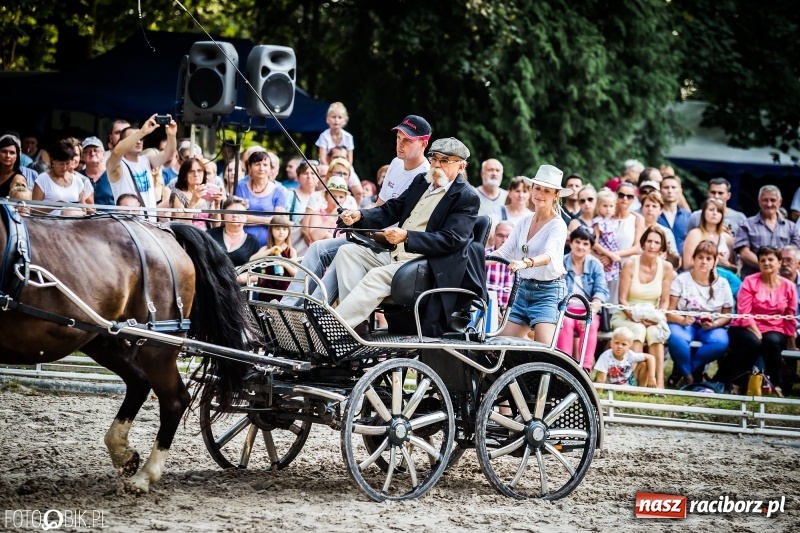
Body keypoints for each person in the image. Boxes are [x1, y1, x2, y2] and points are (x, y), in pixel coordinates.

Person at [333, 137, 480, 337]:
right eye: (434, 158)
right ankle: (355, 329)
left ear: (461, 166)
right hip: (398, 255)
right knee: (347, 252)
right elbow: (392, 210)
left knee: (377, 276)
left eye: (444, 161)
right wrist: (361, 215)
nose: (436, 164)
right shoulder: (421, 181)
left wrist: (407, 237)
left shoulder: (466, 196)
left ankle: (332, 328)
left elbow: (452, 239)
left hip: (427, 264)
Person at [284, 115, 431, 305]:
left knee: (345, 252)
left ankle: (315, 311)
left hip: (393, 246)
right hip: (373, 236)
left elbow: (403, 224)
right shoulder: (395, 163)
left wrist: (365, 224)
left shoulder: (424, 177)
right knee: (317, 248)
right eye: (398, 138)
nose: (400, 145)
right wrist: (358, 217)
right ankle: (287, 306)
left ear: (423, 144)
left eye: (408, 141)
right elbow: (380, 207)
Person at [491, 164, 571, 344]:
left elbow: (549, 255)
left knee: (544, 352)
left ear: (556, 195)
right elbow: (503, 251)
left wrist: (523, 263)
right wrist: (475, 260)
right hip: (523, 289)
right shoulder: (523, 221)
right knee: (497, 345)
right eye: (537, 188)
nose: (539, 194)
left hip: (548, 292)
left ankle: (549, 373)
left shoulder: (558, 225)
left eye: (547, 191)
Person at [719, 246, 797, 397]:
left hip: (774, 328)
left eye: (770, 259)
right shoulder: (749, 282)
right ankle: (736, 384)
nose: (766, 263)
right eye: (762, 260)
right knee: (752, 342)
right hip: (745, 326)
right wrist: (757, 332)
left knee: (772, 342)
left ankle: (776, 384)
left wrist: (791, 343)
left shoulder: (789, 287)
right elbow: (744, 312)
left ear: (779, 262)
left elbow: (790, 316)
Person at [610, 226, 675, 389]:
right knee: (638, 330)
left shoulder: (666, 267)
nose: (652, 246)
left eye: (657, 243)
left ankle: (658, 383)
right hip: (626, 315)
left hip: (652, 316)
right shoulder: (631, 264)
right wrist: (635, 317)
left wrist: (656, 317)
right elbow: (622, 299)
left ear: (662, 247)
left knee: (655, 333)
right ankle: (633, 380)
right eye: (649, 241)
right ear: (643, 243)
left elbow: (665, 301)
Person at [666, 240, 734, 386]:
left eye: (709, 258)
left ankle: (690, 368)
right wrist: (682, 320)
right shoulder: (681, 279)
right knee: (676, 337)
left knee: (720, 341)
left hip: (710, 326)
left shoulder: (722, 283)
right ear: (693, 259)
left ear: (715, 261)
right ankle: (690, 377)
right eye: (700, 257)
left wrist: (715, 324)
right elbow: (669, 311)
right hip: (683, 323)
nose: (704, 262)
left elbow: (727, 314)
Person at [556, 226, 610, 370]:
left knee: (590, 324)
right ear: (571, 243)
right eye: (577, 242)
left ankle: (585, 368)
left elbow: (601, 291)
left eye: (585, 244)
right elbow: (555, 290)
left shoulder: (595, 265)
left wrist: (590, 312)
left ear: (590, 247)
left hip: (588, 309)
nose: (580, 246)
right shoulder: (560, 262)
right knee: (565, 323)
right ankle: (564, 367)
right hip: (565, 308)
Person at [106, 114, 177, 220]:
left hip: (149, 224)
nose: (139, 141)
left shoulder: (146, 160)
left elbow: (169, 154)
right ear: (123, 142)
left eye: (142, 138)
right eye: (135, 138)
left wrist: (171, 136)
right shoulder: (117, 165)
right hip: (128, 225)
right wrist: (142, 132)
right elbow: (116, 152)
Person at [735, 185, 800, 278]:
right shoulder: (746, 225)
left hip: (782, 282)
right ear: (759, 202)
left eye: (773, 200)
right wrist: (768, 267)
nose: (769, 204)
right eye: (765, 200)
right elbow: (744, 254)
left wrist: (775, 268)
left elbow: (795, 254)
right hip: (753, 281)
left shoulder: (792, 227)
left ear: (780, 202)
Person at [603, 181, 645, 304]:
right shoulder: (605, 216)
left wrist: (613, 256)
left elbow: (637, 247)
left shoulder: (637, 219)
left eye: (629, 196)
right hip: (606, 266)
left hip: (625, 266)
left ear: (633, 199)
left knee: (620, 302)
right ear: (616, 196)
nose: (625, 199)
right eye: (621, 195)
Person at [235, 150, 287, 246]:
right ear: (249, 168)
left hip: (270, 243)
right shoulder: (241, 188)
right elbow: (239, 217)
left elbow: (278, 221)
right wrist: (266, 220)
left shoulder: (279, 191)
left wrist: (250, 219)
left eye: (265, 164)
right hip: (244, 241)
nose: (261, 168)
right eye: (257, 164)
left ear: (270, 168)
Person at [33, 140, 94, 214]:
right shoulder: (42, 180)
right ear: (53, 161)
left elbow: (83, 207)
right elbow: (33, 211)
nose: (64, 168)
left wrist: (91, 211)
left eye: (67, 163)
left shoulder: (78, 181)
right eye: (61, 164)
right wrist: (55, 205)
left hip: (73, 222)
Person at [250, 215, 298, 299]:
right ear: (271, 230)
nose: (281, 232)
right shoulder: (266, 249)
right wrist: (270, 251)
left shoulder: (291, 251)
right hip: (267, 289)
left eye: (284, 229)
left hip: (284, 291)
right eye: (277, 228)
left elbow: (296, 273)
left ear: (289, 231)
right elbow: (252, 259)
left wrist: (285, 264)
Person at [682, 198, 736, 272]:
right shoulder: (694, 234)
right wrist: (712, 261)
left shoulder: (727, 238)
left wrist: (726, 264)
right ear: (703, 212)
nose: (715, 213)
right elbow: (687, 265)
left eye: (719, 211)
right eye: (711, 210)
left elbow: (734, 268)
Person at [169, 157, 222, 230]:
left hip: (205, 236)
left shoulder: (207, 193)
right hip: (186, 237)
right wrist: (193, 202)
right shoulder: (177, 194)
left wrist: (217, 206)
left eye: (199, 171)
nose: (196, 174)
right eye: (191, 171)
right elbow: (181, 225)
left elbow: (216, 226)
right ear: (184, 176)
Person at [207, 196, 260, 267]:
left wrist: (236, 277)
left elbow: (255, 275)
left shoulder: (253, 241)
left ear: (246, 217)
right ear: (223, 215)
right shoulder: (210, 235)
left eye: (239, 212)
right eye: (231, 212)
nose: (235, 215)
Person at [301, 175, 352, 244]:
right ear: (325, 196)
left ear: (345, 198)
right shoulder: (317, 214)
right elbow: (315, 237)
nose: (337, 200)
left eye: (341, 197)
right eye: (333, 196)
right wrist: (331, 217)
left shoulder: (347, 217)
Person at [639, 191, 681, 269]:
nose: (650, 209)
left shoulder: (666, 232)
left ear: (661, 210)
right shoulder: (633, 227)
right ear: (642, 208)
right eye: (647, 206)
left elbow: (676, 263)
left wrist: (668, 251)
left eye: (654, 206)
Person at [592, 189, 622, 285]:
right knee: (602, 282)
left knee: (612, 284)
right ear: (598, 207)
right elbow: (594, 243)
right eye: (605, 206)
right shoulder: (598, 222)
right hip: (605, 256)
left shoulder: (613, 221)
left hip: (613, 258)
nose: (608, 209)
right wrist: (610, 255)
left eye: (611, 206)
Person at [485, 221, 515, 315]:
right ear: (494, 237)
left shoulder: (521, 259)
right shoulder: (483, 255)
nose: (504, 240)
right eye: (500, 235)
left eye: (508, 236)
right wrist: (493, 308)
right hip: (486, 310)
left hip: (511, 312)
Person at [657, 175, 691, 256]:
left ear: (680, 191)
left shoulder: (688, 217)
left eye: (673, 187)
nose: (670, 191)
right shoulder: (654, 215)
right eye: (666, 187)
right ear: (660, 191)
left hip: (683, 264)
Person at [80, 137, 114, 207]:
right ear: (82, 157)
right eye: (87, 151)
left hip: (109, 217)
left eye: (96, 150)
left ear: (103, 154)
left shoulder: (113, 176)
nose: (92, 153)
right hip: (83, 217)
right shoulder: (78, 177)